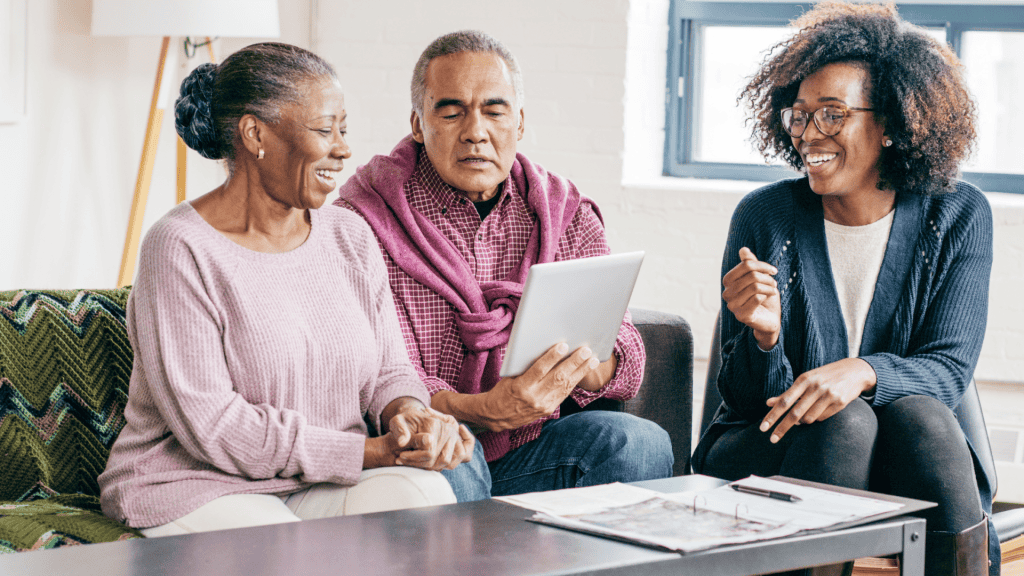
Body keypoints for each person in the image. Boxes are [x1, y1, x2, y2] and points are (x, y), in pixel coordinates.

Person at [99, 42, 474, 536]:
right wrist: (367, 451)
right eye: (324, 130)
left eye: (344, 129)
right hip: (197, 485)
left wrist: (408, 414)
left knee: (430, 501)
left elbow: (389, 368)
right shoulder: (179, 248)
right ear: (256, 134)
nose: (343, 149)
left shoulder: (350, 235)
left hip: (319, 482)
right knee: (289, 550)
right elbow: (214, 424)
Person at [690, 3, 996, 575]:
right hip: (774, 447)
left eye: (832, 114)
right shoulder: (767, 216)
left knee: (921, 415)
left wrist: (863, 370)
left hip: (907, 454)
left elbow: (949, 369)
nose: (810, 135)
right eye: (800, 116)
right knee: (844, 421)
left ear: (891, 123)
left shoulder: (957, 214)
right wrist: (763, 339)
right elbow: (746, 401)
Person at [336, 30, 673, 501]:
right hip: (427, 442)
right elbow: (374, 375)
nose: (475, 131)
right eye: (451, 111)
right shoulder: (364, 220)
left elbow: (627, 360)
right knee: (455, 455)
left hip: (532, 447)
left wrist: (580, 365)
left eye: (494, 111)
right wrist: (487, 410)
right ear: (417, 123)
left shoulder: (563, 211)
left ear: (518, 122)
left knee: (639, 444)